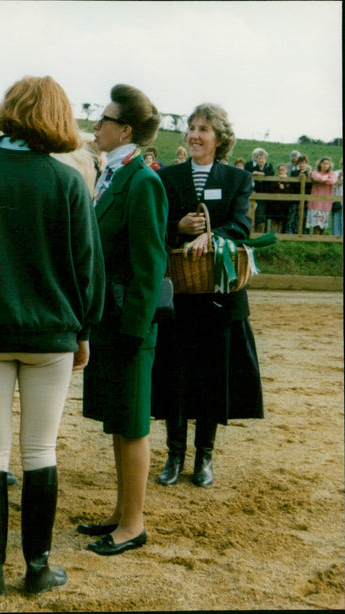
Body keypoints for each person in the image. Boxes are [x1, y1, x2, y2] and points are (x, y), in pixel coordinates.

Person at [0, 76, 105, 597]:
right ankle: (38, 567)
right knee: (39, 450)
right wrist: (85, 329)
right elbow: (87, 269)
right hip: (51, 335)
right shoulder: (68, 181)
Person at [152, 102, 264, 490]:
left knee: (212, 379)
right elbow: (155, 225)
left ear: (219, 138)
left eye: (204, 129)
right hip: (180, 296)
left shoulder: (237, 178)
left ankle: (204, 458)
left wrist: (211, 236)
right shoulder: (168, 177)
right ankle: (173, 455)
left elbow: (242, 226)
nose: (195, 135)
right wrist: (178, 226)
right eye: (191, 127)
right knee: (176, 377)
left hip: (219, 298)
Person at [78, 84, 167, 558]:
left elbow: (149, 264)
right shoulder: (115, 173)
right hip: (109, 320)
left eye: (104, 119)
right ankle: (121, 511)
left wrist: (135, 329)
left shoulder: (142, 180)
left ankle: (133, 524)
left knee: (132, 424)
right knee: (118, 420)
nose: (96, 125)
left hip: (130, 323)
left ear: (125, 129)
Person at [307, 156, 339, 235]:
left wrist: (325, 179)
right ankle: (315, 239)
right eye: (324, 163)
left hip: (326, 202)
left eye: (327, 163)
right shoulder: (315, 172)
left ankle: (321, 240)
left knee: (324, 224)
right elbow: (317, 178)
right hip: (316, 202)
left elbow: (332, 181)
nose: (325, 165)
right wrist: (325, 178)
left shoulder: (332, 173)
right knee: (316, 223)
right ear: (320, 164)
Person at [264, 163, 294, 233]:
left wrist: (284, 188)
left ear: (286, 170)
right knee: (273, 220)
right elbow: (270, 189)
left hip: (284, 204)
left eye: (283, 170)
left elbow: (291, 191)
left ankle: (279, 235)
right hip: (275, 203)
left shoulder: (289, 180)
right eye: (280, 170)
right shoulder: (275, 179)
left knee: (281, 221)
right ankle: (272, 235)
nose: (281, 171)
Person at [332, 158, 343, 237]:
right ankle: (336, 236)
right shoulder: (335, 173)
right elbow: (333, 184)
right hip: (337, 198)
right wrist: (339, 178)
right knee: (336, 217)